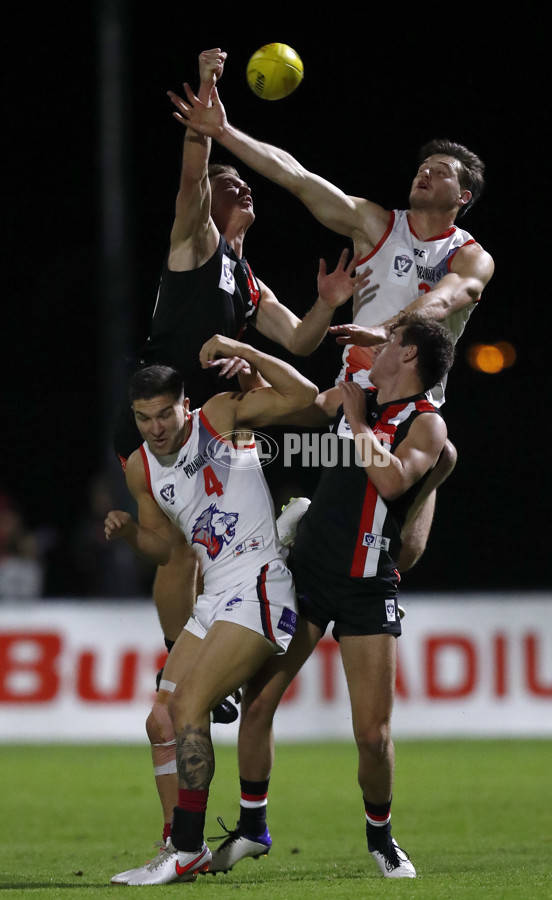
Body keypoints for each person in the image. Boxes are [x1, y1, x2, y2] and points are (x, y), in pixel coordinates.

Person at [113, 48, 369, 836]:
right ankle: (182, 651)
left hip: (222, 421)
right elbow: (194, 182)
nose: (239, 184)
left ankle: (242, 625)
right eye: (232, 181)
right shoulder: (193, 250)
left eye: (245, 181)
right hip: (172, 415)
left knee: (276, 483)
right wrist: (208, 118)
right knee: (188, 541)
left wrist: (329, 304)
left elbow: (296, 335)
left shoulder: (246, 278)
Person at [167, 67, 495, 567]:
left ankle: (306, 526)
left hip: (416, 407)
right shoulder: (375, 224)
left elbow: (446, 300)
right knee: (361, 536)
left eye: (442, 171)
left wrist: (386, 331)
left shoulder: (471, 257)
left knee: (404, 554)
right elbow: (297, 178)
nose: (425, 172)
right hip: (356, 396)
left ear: (463, 197)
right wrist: (223, 132)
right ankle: (276, 524)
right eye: (422, 166)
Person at [204, 312, 455, 879]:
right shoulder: (354, 393)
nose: (380, 345)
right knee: (259, 702)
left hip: (367, 586)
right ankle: (252, 827)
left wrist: (358, 421)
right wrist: (251, 374)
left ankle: (381, 837)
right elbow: (299, 406)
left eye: (392, 340)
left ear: (410, 356)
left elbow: (391, 481)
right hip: (309, 577)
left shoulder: (426, 423)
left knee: (372, 735)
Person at [105, 335, 319, 886]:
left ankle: (187, 847)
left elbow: (305, 394)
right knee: (163, 717)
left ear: (184, 405)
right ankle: (179, 840)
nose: (155, 428)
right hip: (213, 597)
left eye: (164, 414)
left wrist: (240, 348)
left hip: (258, 584)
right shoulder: (141, 471)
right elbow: (163, 545)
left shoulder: (221, 417)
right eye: (143, 418)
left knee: (190, 707)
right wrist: (130, 533)